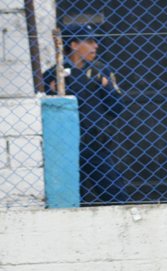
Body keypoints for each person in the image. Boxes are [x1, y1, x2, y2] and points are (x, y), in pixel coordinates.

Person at [43, 24, 128, 204]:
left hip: (96, 142)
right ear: (73, 45)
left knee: (114, 192)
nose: (95, 46)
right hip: (66, 145)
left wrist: (106, 87)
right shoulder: (54, 74)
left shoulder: (100, 71)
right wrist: (53, 91)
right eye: (89, 41)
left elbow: (117, 108)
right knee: (73, 196)